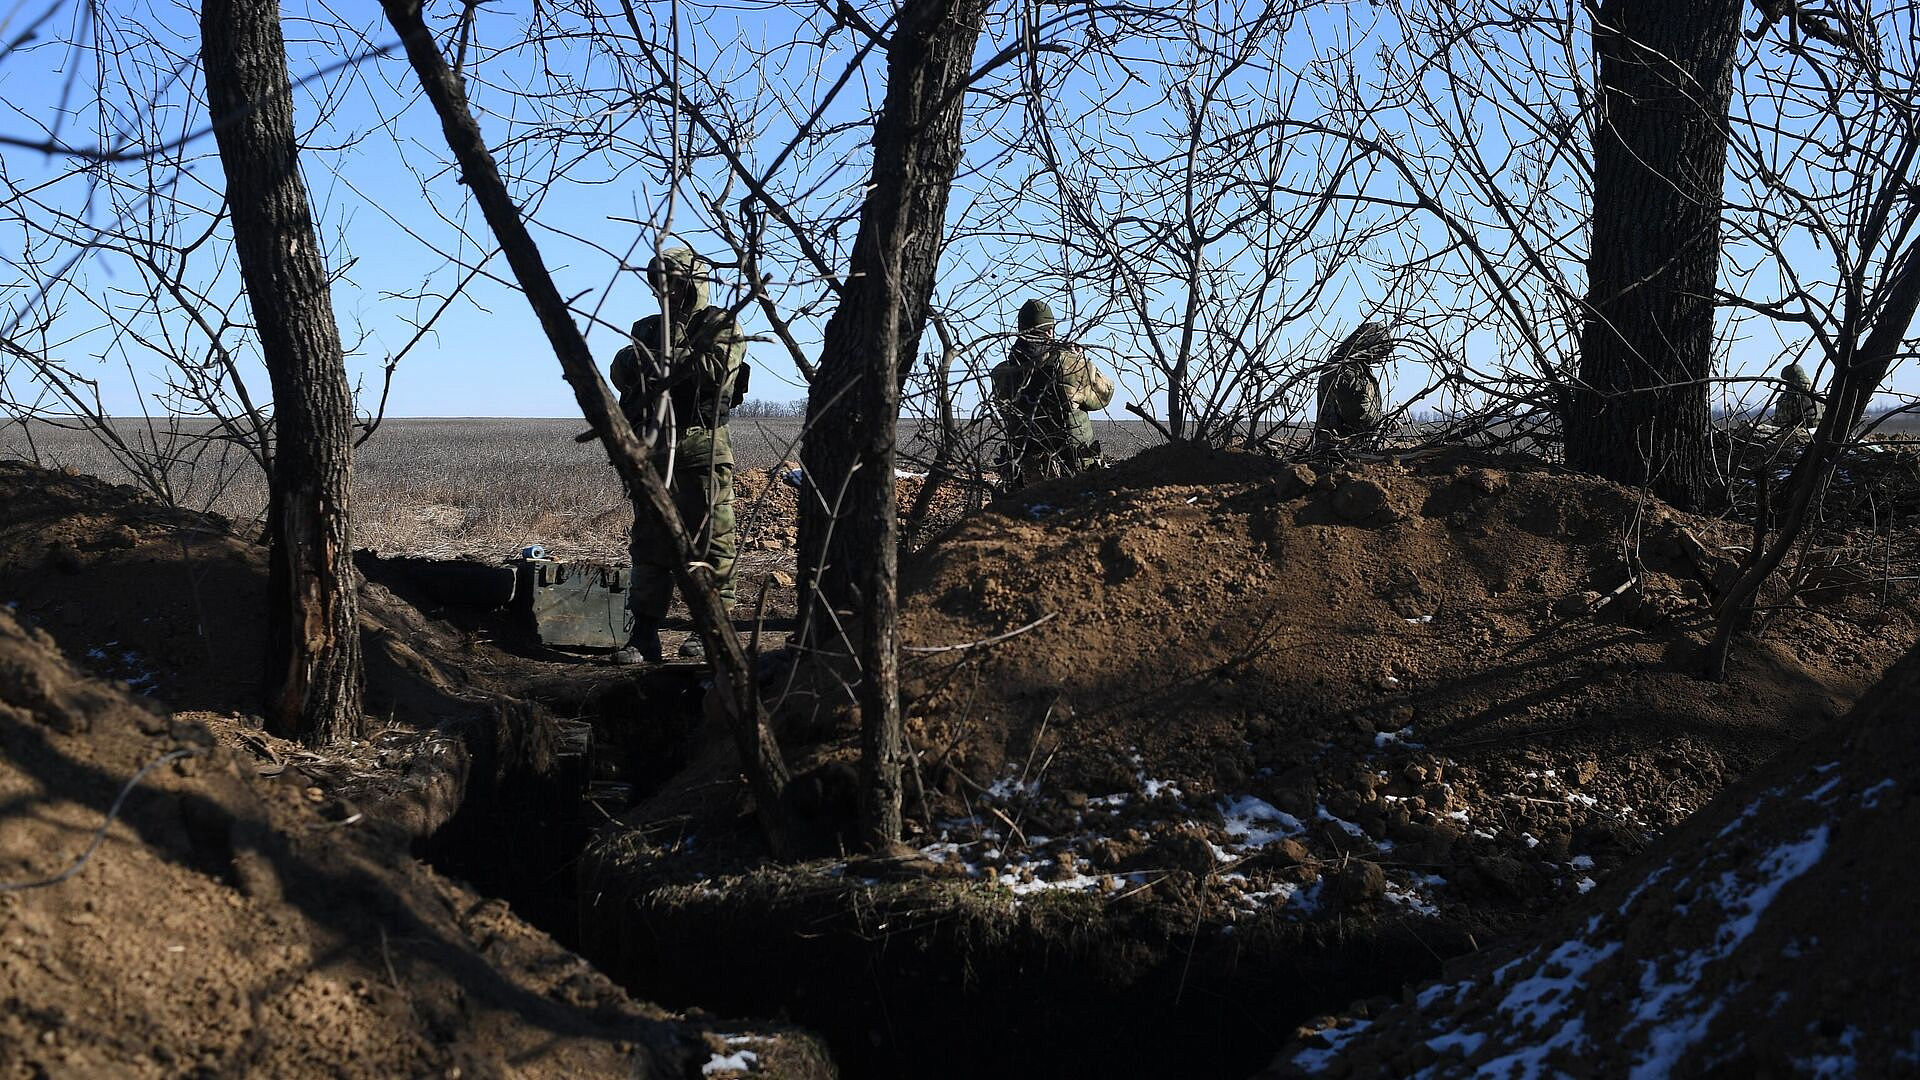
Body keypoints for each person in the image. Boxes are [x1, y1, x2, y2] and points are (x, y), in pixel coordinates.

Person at [608, 247, 748, 665]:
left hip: (702, 444)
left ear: (693, 283)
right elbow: (620, 369)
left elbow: (716, 373)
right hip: (653, 445)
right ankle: (644, 634)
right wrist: (649, 360)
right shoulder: (647, 328)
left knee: (713, 538)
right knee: (650, 540)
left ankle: (709, 630)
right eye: (660, 282)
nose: (666, 291)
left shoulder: (719, 324)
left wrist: (664, 361)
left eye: (676, 282)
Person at [989, 299, 1114, 489]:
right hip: (1075, 475)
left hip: (1026, 476)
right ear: (1049, 331)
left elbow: (1006, 412)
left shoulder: (1002, 374)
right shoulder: (1069, 365)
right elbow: (1105, 395)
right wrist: (1078, 359)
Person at [1312, 322, 1393, 449]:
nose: (1380, 359)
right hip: (1341, 449)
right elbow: (1359, 414)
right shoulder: (1347, 371)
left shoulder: (1350, 365)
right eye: (1380, 352)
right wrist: (1385, 420)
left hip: (1341, 446)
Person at [1773, 362, 1822, 430]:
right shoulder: (1817, 396)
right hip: (1817, 434)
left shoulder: (1789, 398)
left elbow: (1781, 422)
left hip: (1795, 435)